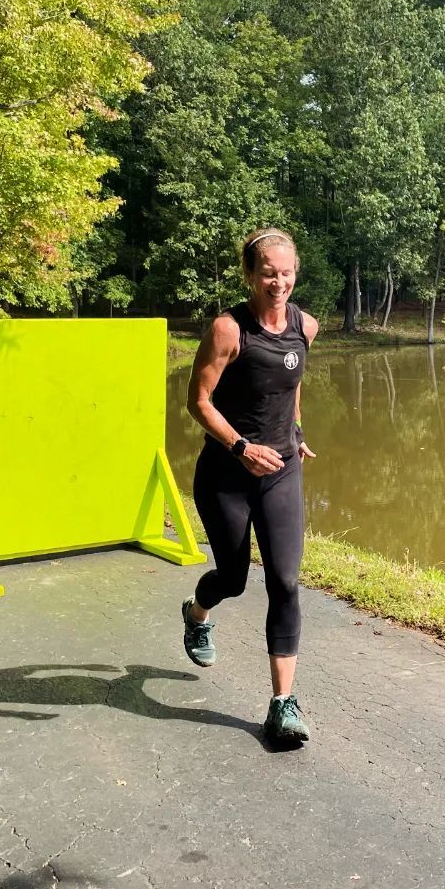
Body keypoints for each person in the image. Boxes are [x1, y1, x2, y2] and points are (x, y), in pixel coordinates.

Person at [181, 227, 319, 745]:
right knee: (234, 579)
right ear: (249, 275)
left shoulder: (306, 326)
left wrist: (295, 433)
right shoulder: (228, 329)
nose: (278, 283)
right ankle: (197, 613)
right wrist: (241, 447)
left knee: (284, 581)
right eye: (268, 274)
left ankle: (283, 704)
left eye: (286, 273)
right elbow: (198, 402)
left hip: (281, 470)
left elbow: (291, 386)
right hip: (226, 475)